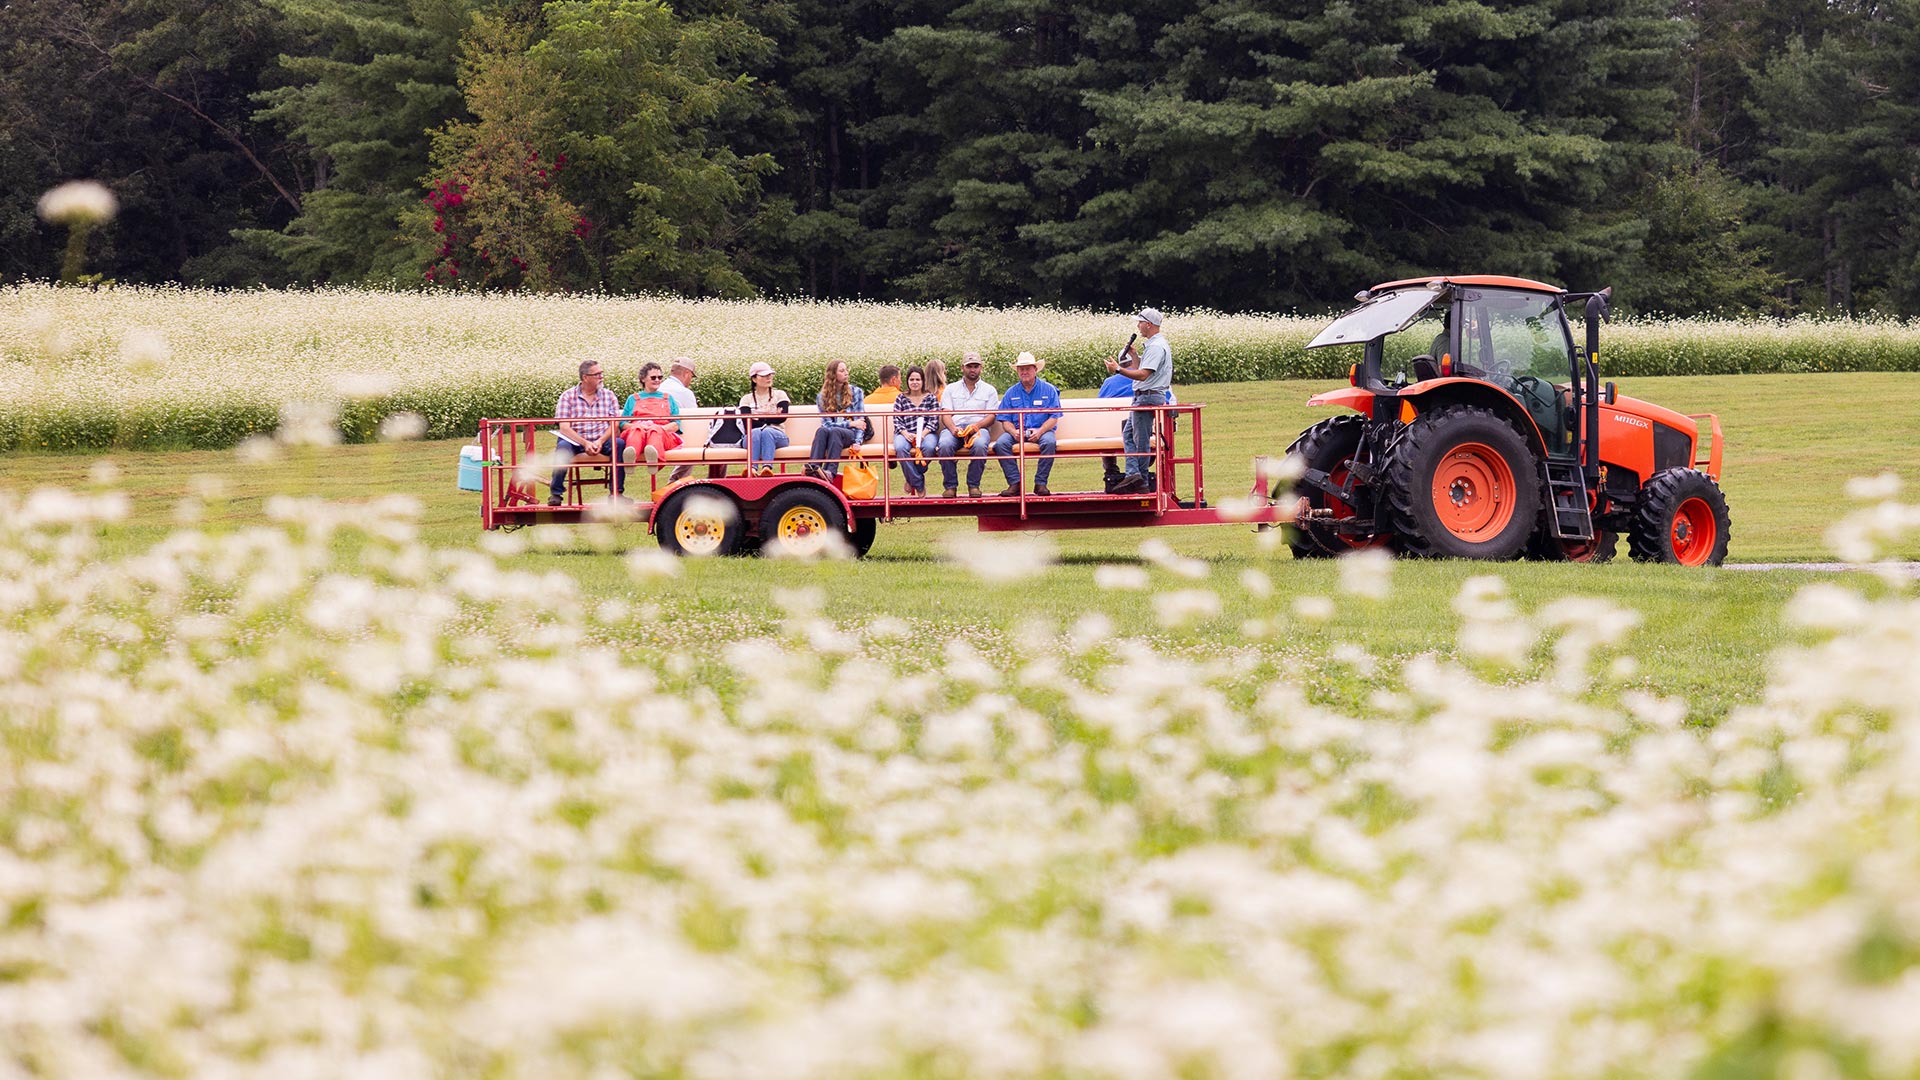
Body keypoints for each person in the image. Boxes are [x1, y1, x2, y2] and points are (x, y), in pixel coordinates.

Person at [1104, 306, 1173, 494]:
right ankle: (1134, 475)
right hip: (1145, 396)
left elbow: (1143, 375)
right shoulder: (1154, 345)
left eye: (1140, 322)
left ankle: (1139, 478)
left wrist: (1118, 369)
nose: (1138, 325)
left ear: (1149, 325)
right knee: (1129, 435)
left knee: (1140, 440)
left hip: (1147, 397)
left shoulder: (1156, 347)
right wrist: (1134, 356)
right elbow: (1141, 369)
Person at [549, 359, 630, 505]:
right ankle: (556, 494)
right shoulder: (567, 396)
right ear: (585, 377)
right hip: (575, 440)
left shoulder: (609, 395)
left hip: (602, 439)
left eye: (601, 373)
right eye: (597, 374)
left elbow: (614, 423)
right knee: (563, 448)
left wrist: (600, 441)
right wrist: (585, 443)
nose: (601, 377)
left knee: (619, 444)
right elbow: (564, 427)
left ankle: (616, 493)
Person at [992, 351, 1062, 497]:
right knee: (1000, 444)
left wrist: (1040, 431)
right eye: (1021, 369)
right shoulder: (1011, 393)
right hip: (1017, 431)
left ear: (1035, 370)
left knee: (1049, 442)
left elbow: (1054, 417)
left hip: (1042, 430)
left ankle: (1040, 483)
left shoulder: (1049, 390)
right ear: (1017, 371)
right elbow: (1005, 420)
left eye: (1027, 368)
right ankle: (1015, 483)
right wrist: (1013, 432)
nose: (1024, 372)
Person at [1099, 361, 1176, 491]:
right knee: (1144, 438)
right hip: (1147, 428)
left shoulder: (1109, 383)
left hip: (1116, 431)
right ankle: (1142, 476)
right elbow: (1168, 403)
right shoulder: (1151, 379)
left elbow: (1101, 406)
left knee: (1107, 436)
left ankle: (1111, 470)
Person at [936, 351, 997, 498]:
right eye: (969, 366)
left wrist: (977, 426)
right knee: (944, 445)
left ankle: (973, 485)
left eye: (976, 366)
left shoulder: (989, 390)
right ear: (962, 368)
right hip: (955, 427)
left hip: (978, 428)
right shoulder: (950, 389)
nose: (973, 370)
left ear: (981, 368)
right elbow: (946, 414)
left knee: (980, 445)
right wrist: (953, 429)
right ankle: (950, 486)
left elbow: (991, 416)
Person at [808, 360, 868, 479]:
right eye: (842, 371)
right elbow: (826, 425)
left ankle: (830, 472)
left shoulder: (856, 392)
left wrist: (857, 442)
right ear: (833, 375)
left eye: (846, 370)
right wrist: (850, 423)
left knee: (835, 431)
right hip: (834, 432)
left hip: (849, 435)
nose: (846, 373)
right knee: (821, 431)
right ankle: (813, 467)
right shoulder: (822, 396)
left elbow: (860, 422)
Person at [658, 356, 710, 482]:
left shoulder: (659, 388)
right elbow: (696, 421)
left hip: (656, 436)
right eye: (691, 377)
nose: (690, 381)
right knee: (709, 443)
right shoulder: (685, 393)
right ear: (687, 373)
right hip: (674, 439)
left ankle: (676, 481)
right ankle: (716, 481)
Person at [621, 361, 682, 468]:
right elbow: (622, 423)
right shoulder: (632, 399)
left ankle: (655, 461)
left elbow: (676, 424)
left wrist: (658, 428)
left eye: (660, 377)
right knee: (637, 430)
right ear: (643, 379)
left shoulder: (668, 398)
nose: (657, 380)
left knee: (654, 431)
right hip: (639, 433)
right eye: (653, 378)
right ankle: (630, 460)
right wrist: (640, 426)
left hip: (661, 435)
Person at [891, 366, 940, 496]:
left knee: (929, 448)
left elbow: (934, 419)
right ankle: (918, 482)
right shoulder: (901, 398)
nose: (915, 382)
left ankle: (910, 478)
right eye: (911, 379)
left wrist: (922, 434)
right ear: (907, 381)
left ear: (923, 381)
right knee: (901, 448)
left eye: (918, 379)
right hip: (904, 432)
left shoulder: (931, 398)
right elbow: (896, 419)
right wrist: (905, 433)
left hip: (926, 433)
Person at [739, 361, 790, 477]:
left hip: (778, 435)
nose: (769, 378)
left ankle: (767, 468)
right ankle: (752, 468)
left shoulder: (780, 395)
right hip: (752, 437)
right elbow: (748, 424)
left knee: (767, 432)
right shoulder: (746, 399)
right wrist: (771, 416)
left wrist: (758, 417)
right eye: (764, 375)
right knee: (756, 432)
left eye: (770, 374)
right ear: (754, 379)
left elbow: (782, 418)